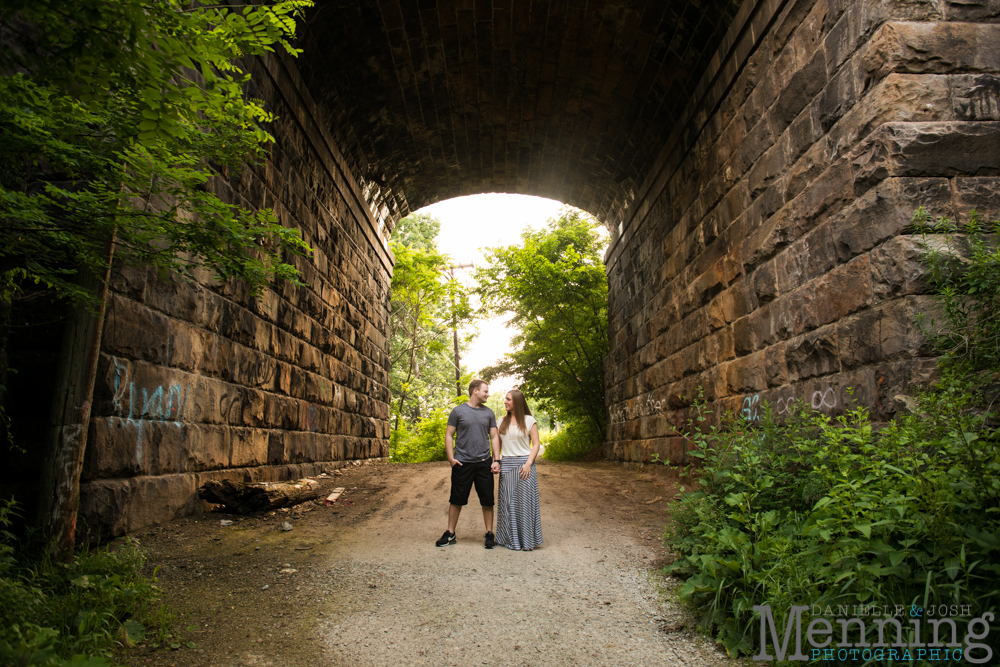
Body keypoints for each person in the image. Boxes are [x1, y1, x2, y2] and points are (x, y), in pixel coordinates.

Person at [435, 379, 502, 549]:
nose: (488, 394)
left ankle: (489, 533)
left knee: (487, 500)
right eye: (485, 391)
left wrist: (496, 459)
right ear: (475, 391)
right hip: (462, 463)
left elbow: (494, 437)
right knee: (456, 499)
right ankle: (450, 533)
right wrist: (451, 458)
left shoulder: (489, 413)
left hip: (484, 463)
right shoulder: (458, 411)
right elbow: (449, 435)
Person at [494, 389, 543, 551]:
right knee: (508, 504)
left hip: (525, 464)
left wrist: (529, 463)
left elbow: (536, 444)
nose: (505, 402)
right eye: (505, 399)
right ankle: (510, 539)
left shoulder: (529, 420)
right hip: (507, 464)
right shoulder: (501, 422)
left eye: (508, 399)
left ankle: (527, 541)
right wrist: (497, 461)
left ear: (516, 401)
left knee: (525, 505)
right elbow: (497, 445)